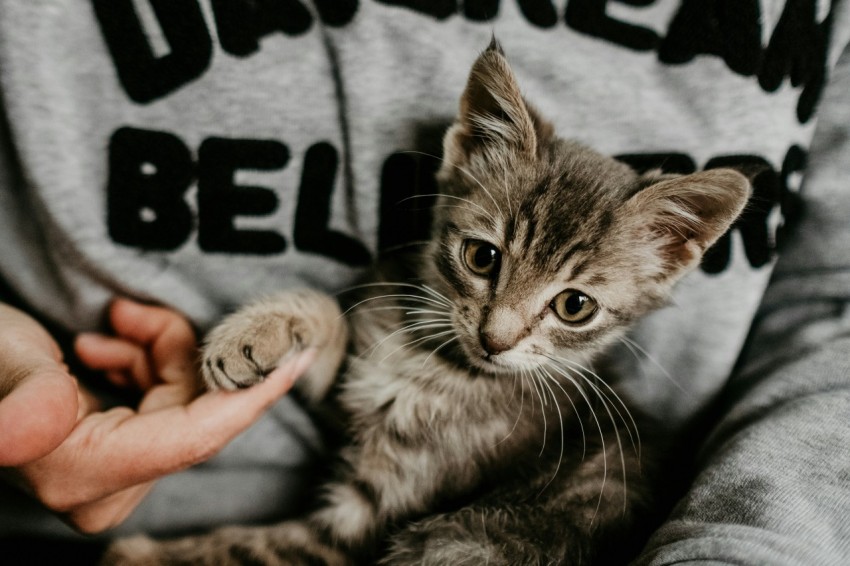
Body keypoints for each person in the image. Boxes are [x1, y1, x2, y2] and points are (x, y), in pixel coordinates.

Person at [1, 1, 848, 564]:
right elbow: (351, 357)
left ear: (671, 252)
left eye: (571, 306)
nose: (499, 332)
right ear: (467, 153)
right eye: (483, 259)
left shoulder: (550, 431)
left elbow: (344, 545)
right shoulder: (409, 305)